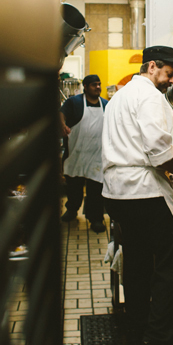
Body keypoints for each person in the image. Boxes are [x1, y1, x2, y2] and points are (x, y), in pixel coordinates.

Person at [101, 45, 173, 345]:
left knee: (137, 262)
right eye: (168, 74)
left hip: (116, 193)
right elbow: (157, 147)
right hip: (142, 192)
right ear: (152, 66)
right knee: (170, 265)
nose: (170, 81)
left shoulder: (119, 98)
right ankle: (158, 343)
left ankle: (136, 333)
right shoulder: (150, 96)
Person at [60, 74, 108, 233]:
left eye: (99, 84)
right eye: (94, 85)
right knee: (74, 187)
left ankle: (96, 219)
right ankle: (72, 210)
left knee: (96, 190)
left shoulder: (106, 104)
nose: (98, 87)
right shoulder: (74, 102)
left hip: (96, 155)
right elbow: (61, 115)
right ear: (85, 87)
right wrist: (62, 125)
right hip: (76, 153)